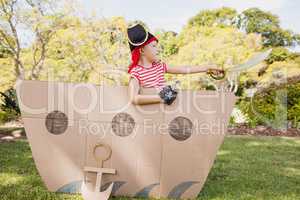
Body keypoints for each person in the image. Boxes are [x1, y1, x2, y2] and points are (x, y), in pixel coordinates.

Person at [127, 23, 224, 105]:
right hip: (150, 117)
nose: (158, 49)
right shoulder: (136, 73)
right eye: (154, 46)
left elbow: (184, 69)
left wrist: (207, 67)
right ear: (142, 50)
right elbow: (134, 98)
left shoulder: (160, 67)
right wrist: (161, 98)